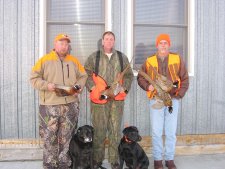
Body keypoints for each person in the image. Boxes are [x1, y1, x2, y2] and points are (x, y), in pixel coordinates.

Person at [30, 33, 88, 169]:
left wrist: (78, 86)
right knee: (49, 137)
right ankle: (50, 165)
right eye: (61, 43)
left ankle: (64, 164)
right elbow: (33, 79)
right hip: (50, 105)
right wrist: (47, 85)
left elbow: (83, 75)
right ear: (55, 44)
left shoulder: (74, 60)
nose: (64, 46)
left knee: (66, 137)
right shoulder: (44, 60)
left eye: (66, 44)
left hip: (70, 105)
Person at [137, 34, 189, 169]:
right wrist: (147, 86)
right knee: (156, 131)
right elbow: (141, 77)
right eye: (161, 43)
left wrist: (179, 94)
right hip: (156, 100)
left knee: (171, 132)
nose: (163, 45)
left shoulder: (177, 59)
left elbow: (185, 79)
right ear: (157, 45)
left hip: (172, 100)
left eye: (166, 42)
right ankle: (158, 160)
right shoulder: (149, 61)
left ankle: (170, 159)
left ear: (169, 45)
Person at [84, 31, 134, 169]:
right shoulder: (94, 57)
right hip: (99, 102)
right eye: (107, 39)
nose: (109, 41)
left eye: (111, 39)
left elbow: (129, 75)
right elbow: (85, 74)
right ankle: (97, 159)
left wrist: (125, 89)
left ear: (114, 41)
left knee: (115, 131)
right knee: (99, 131)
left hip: (116, 101)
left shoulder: (121, 57)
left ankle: (114, 160)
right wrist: (93, 89)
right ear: (102, 41)